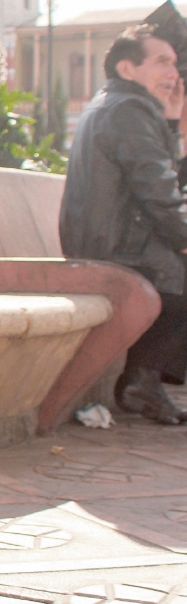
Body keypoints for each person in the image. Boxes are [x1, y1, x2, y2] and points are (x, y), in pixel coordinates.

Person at [60, 24, 187, 424]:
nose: (174, 73)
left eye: (175, 63)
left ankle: (145, 379)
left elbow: (164, 183)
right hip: (112, 245)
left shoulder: (126, 107)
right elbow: (160, 193)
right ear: (128, 69)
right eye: (162, 62)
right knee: (179, 276)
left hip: (112, 237)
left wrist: (171, 124)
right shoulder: (127, 111)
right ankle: (141, 381)